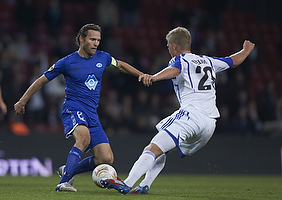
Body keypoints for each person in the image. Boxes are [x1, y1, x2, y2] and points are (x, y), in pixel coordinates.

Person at [100, 27, 255, 194]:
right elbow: (234, 60)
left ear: (174, 46)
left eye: (168, 46)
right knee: (161, 148)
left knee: (151, 149)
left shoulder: (180, 60)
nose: (168, 49)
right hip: (210, 124)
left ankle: (127, 183)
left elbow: (175, 69)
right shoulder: (208, 61)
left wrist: (154, 76)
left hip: (191, 115)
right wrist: (246, 50)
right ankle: (145, 185)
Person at [14, 24, 144, 192]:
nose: (96, 43)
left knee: (105, 158)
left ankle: (69, 169)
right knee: (83, 138)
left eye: (98, 40)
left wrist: (141, 74)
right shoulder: (67, 62)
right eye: (92, 39)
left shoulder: (103, 58)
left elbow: (120, 65)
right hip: (73, 109)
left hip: (92, 114)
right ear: (81, 39)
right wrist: (22, 101)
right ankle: (64, 182)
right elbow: (42, 80)